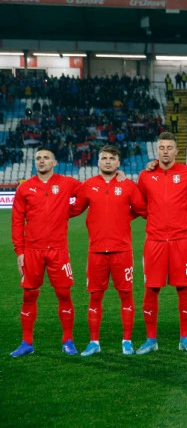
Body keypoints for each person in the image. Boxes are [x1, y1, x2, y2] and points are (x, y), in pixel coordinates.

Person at [69, 145, 148, 356]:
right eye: (104, 158)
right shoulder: (88, 185)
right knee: (95, 297)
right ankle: (94, 342)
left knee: (126, 295)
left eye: (112, 158)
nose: (107, 161)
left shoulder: (128, 186)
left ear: (118, 163)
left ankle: (127, 341)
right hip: (96, 252)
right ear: (98, 162)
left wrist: (125, 217)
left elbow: (143, 209)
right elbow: (74, 209)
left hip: (122, 251)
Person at [135, 132, 187, 355]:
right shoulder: (145, 176)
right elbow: (139, 204)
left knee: (184, 288)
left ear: (177, 151)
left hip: (180, 240)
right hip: (155, 241)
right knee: (151, 289)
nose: (165, 151)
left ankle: (185, 338)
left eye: (169, 147)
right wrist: (155, 219)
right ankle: (151, 340)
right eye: (162, 148)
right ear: (157, 151)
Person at [10, 148, 82, 357]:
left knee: (64, 294)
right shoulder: (25, 188)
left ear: (55, 162)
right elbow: (17, 221)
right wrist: (19, 251)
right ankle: (27, 343)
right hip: (32, 251)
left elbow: (88, 193)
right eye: (38, 158)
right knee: (29, 295)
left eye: (46, 158)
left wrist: (68, 212)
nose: (41, 161)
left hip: (58, 250)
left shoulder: (67, 183)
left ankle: (68, 340)